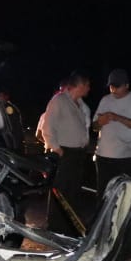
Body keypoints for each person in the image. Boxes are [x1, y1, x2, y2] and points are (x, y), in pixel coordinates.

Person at [41, 72, 92, 234]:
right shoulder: (60, 101)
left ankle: (70, 226)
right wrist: (56, 148)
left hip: (78, 153)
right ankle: (55, 227)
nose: (89, 89)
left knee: (73, 190)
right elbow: (47, 126)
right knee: (60, 190)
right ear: (80, 85)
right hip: (64, 151)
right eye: (87, 85)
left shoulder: (81, 105)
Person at [92, 69, 131, 203]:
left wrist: (117, 117)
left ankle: (120, 223)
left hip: (125, 157)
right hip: (103, 156)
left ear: (127, 85)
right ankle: (101, 223)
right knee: (102, 194)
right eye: (111, 86)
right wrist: (100, 122)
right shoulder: (105, 100)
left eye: (117, 86)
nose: (114, 89)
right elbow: (94, 127)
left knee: (123, 197)